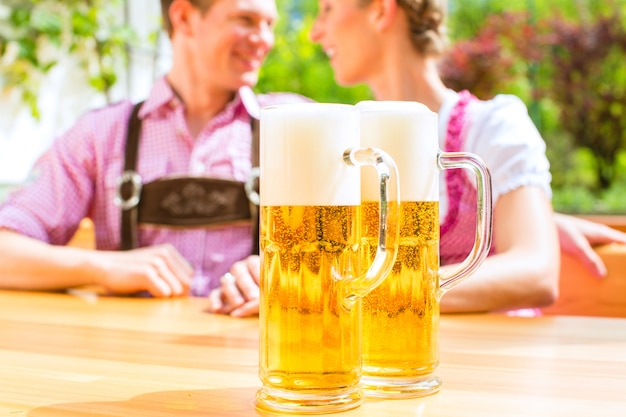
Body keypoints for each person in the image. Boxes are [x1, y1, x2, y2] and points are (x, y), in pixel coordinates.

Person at [206, 0, 626, 316]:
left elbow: (535, 271)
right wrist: (279, 280)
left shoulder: (491, 126)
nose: (316, 32)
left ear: (381, 11)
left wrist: (351, 293)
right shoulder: (345, 137)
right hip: (376, 378)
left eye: (328, 9)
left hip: (493, 372)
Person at [0, 0, 309, 298]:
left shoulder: (295, 128)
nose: (265, 40)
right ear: (184, 17)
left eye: (270, 24)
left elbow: (346, 264)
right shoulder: (101, 134)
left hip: (252, 349)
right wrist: (103, 267)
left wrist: (289, 279)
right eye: (246, 20)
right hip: (133, 349)